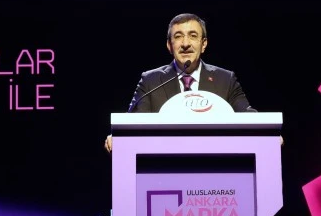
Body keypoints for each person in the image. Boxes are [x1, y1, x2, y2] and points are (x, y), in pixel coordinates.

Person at [104, 13, 256, 153]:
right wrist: (120, 136)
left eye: (193, 36)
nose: (185, 44)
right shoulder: (150, 81)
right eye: (178, 36)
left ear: (203, 44)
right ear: (169, 45)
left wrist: (266, 130)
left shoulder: (225, 80)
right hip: (164, 163)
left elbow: (249, 117)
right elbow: (134, 123)